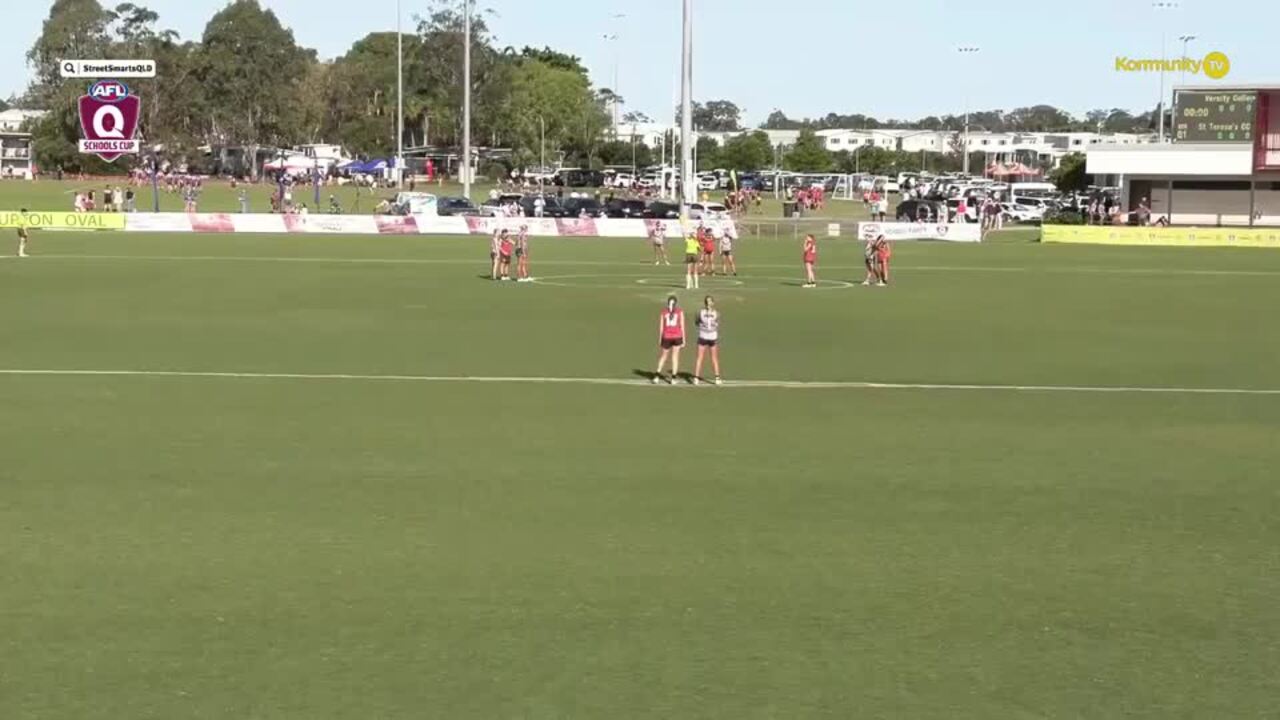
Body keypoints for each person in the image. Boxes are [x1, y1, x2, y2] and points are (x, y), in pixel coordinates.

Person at [653, 295, 686, 384]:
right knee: (675, 357)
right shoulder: (680, 312)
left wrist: (660, 339)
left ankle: (657, 375)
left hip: (666, 336)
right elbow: (682, 326)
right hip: (677, 337)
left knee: (663, 356)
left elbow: (661, 327)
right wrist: (684, 339)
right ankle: (673, 378)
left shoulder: (664, 312)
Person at [693, 295, 722, 386]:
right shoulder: (716, 313)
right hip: (711, 337)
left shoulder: (700, 312)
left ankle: (696, 378)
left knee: (701, 358)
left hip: (704, 336)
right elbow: (717, 323)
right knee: (712, 358)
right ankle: (717, 378)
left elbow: (697, 322)